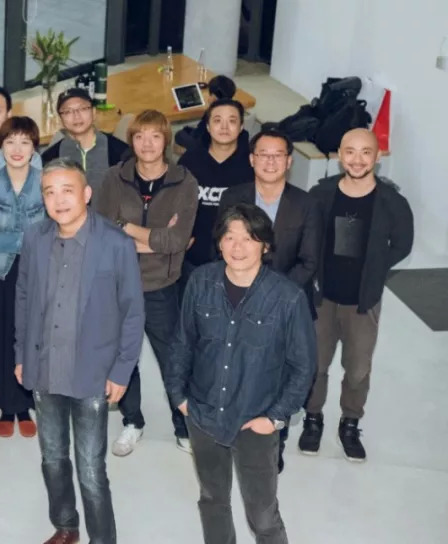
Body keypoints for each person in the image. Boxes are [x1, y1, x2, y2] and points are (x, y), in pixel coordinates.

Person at [165, 203, 316, 544]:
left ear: (265, 246)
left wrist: (275, 418)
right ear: (219, 243)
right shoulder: (200, 281)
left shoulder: (287, 298)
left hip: (255, 422)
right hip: (203, 415)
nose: (237, 247)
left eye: (248, 238)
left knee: (262, 514)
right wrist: (179, 397)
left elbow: (304, 367)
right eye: (229, 237)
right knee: (212, 499)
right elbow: (182, 342)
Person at [16, 158, 145, 544]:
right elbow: (23, 298)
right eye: (49, 192)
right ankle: (65, 526)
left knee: (91, 469)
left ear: (86, 194)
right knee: (53, 458)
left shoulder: (116, 244)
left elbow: (132, 312)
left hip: (92, 373)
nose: (58, 200)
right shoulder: (34, 238)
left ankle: (102, 539)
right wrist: (21, 355)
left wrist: (122, 370)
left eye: (67, 190)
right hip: (44, 369)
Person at [299, 128, 414, 462]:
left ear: (377, 157)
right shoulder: (321, 194)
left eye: (366, 152)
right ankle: (312, 419)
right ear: (339, 155)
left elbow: (403, 244)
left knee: (358, 368)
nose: (357, 159)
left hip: (363, 303)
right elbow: (307, 236)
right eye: (350, 151)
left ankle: (350, 423)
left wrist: (376, 268)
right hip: (322, 298)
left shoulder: (392, 202)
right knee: (315, 364)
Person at [95, 109, 199, 456]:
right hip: (118, 284)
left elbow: (177, 240)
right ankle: (132, 421)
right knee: (123, 356)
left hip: (161, 285)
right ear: (131, 141)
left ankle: (183, 424)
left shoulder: (184, 182)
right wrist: (156, 238)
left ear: (166, 140)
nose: (147, 144)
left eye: (155, 136)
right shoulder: (114, 178)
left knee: (172, 359)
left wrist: (125, 227)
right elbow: (102, 231)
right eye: (139, 136)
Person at [218, 129, 321, 472]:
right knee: (238, 370)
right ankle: (236, 433)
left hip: (287, 305)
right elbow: (223, 247)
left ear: (289, 161)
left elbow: (309, 261)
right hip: (237, 300)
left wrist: (271, 296)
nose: (271, 161)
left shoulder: (306, 203)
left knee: (279, 376)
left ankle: (275, 443)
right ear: (252, 159)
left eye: (278, 155)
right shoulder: (233, 197)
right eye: (263, 154)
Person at [0, 116, 45, 438]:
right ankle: (5, 404)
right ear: (1, 146)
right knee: (1, 335)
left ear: (34, 148)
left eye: (25, 142)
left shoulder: (45, 183)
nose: (17, 149)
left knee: (28, 335)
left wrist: (6, 234)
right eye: (10, 141)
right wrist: (28, 237)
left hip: (35, 269)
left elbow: (50, 235)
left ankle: (24, 405)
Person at [178, 99, 255, 283]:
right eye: (217, 120)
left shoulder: (252, 164)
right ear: (207, 126)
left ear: (241, 126)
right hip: (193, 257)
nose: (224, 127)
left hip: (238, 258)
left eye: (232, 121)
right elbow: (176, 204)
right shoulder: (190, 161)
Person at [39, 86, 128, 194]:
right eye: (68, 112)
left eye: (82, 109)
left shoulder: (120, 152)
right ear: (60, 119)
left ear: (94, 112)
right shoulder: (50, 158)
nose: (76, 116)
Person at [176, 75, 244, 152]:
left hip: (205, 146)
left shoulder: (212, 112)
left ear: (213, 97)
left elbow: (199, 133)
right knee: (187, 129)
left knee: (179, 134)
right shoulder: (235, 109)